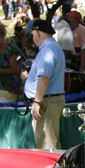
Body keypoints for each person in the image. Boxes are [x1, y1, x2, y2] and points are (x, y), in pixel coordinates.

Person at [22, 18, 66, 150]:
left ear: (37, 33)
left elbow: (44, 79)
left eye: (32, 35)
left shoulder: (48, 50)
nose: (32, 38)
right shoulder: (52, 47)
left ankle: (52, 165)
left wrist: (37, 102)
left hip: (46, 102)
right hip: (49, 100)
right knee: (50, 141)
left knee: (46, 145)